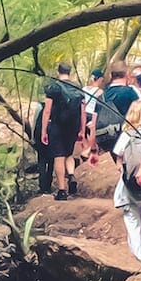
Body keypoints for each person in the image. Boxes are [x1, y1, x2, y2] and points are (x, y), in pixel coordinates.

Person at [111, 97, 141, 260]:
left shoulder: (127, 134)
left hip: (129, 187)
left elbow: (118, 157)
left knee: (132, 221)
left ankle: (138, 257)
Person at [36, 60, 88, 199]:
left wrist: (44, 131)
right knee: (69, 154)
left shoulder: (53, 87)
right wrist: (82, 130)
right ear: (69, 72)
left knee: (59, 156)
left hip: (58, 126)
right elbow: (83, 111)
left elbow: (47, 111)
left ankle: (62, 190)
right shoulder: (78, 87)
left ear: (58, 72)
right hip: (73, 126)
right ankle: (71, 175)